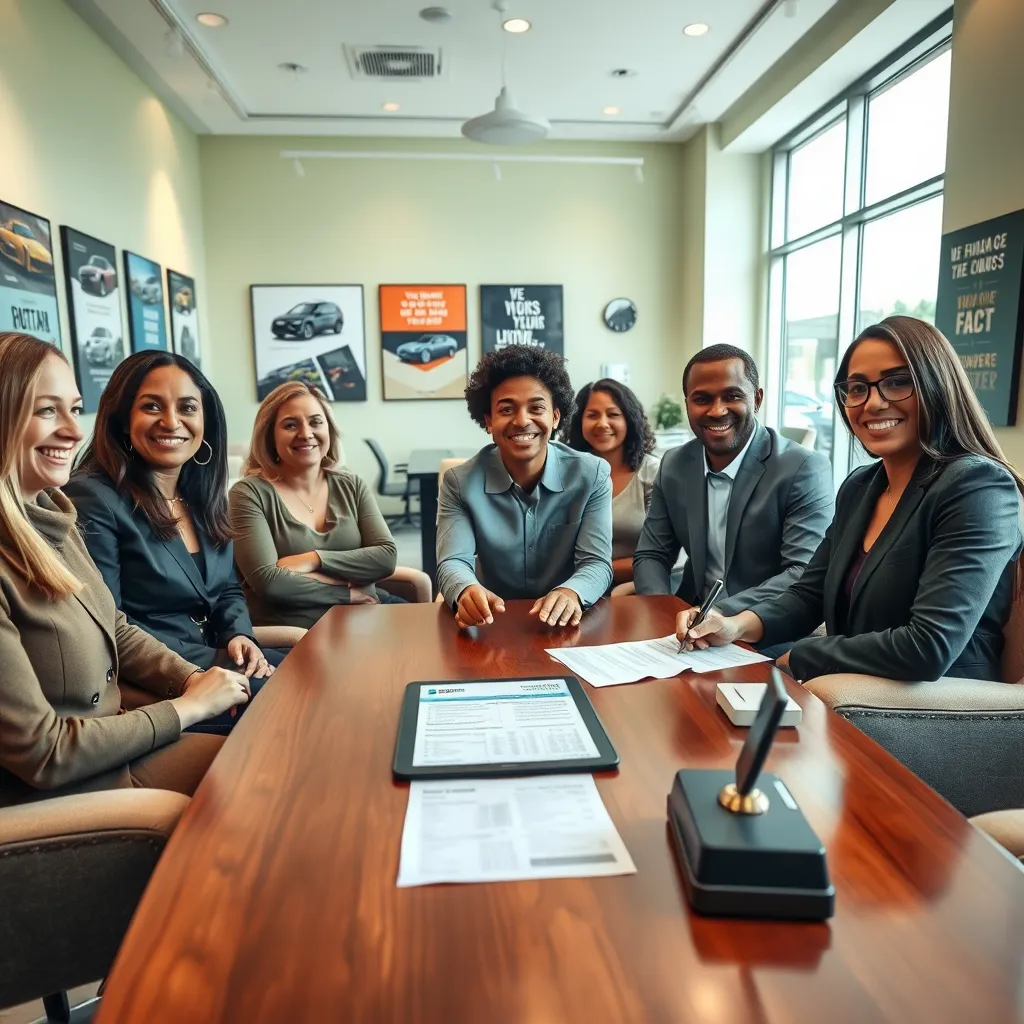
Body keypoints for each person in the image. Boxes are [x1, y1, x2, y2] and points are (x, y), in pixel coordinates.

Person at [678, 317, 1024, 683]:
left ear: (937, 386)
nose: (872, 403)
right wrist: (733, 625)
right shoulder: (862, 485)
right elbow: (808, 596)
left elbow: (929, 647)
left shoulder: (977, 486)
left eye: (897, 382)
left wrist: (800, 658)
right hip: (849, 693)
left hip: (932, 716)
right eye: (857, 388)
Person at [0, 332, 249, 806]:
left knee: (279, 752)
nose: (74, 432)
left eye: (74, 409)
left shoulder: (52, 517)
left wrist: (190, 679)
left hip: (118, 749)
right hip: (71, 795)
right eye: (47, 410)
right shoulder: (88, 500)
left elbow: (111, 624)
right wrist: (186, 705)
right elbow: (42, 754)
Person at [65, 352, 282, 733]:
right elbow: (108, 626)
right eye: (151, 406)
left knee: (325, 675)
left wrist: (239, 635)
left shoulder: (199, 493)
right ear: (122, 419)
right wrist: (203, 669)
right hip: (162, 683)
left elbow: (228, 588)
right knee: (298, 703)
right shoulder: (94, 497)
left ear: (205, 420)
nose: (171, 421)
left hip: (218, 658)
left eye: (187, 407)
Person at [633, 344, 834, 627]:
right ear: (687, 402)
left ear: (757, 399)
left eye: (732, 396)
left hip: (765, 629)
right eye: (702, 399)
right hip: (687, 626)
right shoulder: (675, 464)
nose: (717, 411)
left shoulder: (803, 468)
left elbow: (802, 572)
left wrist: (717, 615)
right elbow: (653, 553)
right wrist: (661, 612)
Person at [437, 346, 612, 629]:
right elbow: (452, 562)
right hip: (492, 622)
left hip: (568, 626)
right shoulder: (459, 482)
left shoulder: (592, 475)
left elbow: (597, 563)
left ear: (555, 417)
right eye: (506, 409)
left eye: (536, 408)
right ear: (489, 421)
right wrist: (466, 590)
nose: (521, 421)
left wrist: (572, 592)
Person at [228, 381, 400, 629]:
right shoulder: (248, 493)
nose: (306, 433)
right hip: (295, 632)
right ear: (269, 435)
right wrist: (346, 592)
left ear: (329, 429)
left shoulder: (351, 485)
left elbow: (386, 558)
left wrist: (315, 561)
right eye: (290, 425)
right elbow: (270, 583)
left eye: (316, 422)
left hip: (368, 615)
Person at [561, 378, 659, 587]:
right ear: (579, 422)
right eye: (592, 415)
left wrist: (595, 573)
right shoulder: (565, 471)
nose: (602, 423)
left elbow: (659, 555)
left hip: (638, 589)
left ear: (629, 420)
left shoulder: (652, 473)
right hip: (569, 591)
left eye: (613, 414)